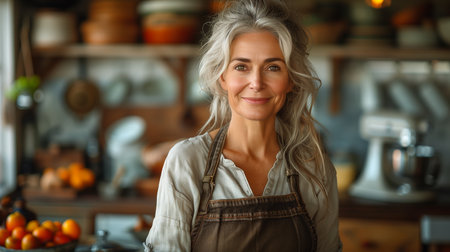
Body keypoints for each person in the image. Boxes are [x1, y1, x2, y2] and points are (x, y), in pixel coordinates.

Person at [144, 0, 342, 251]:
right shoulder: (188, 162)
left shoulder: (314, 168)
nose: (256, 82)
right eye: (241, 67)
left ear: (291, 79)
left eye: (273, 67)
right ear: (222, 77)